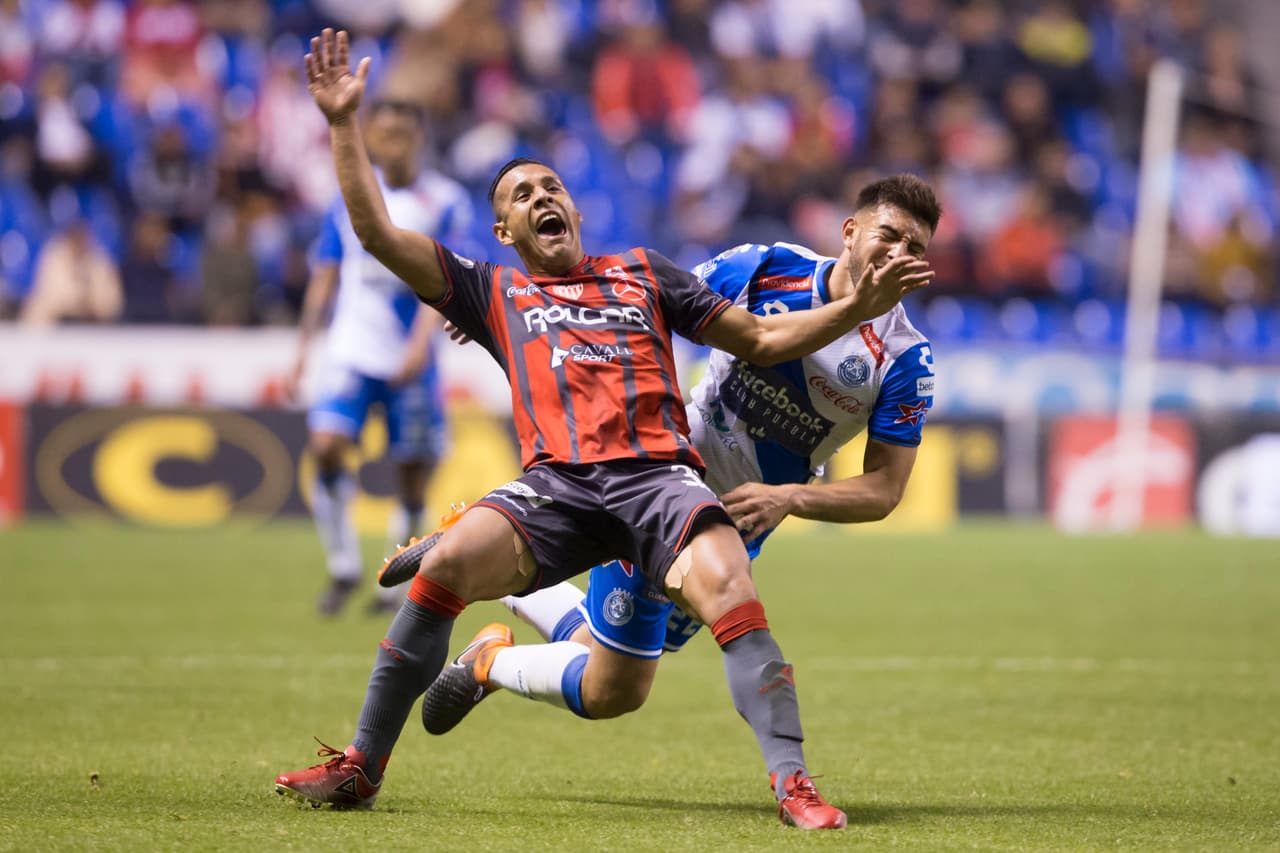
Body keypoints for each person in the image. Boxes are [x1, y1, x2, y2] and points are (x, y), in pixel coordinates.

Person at [274, 30, 932, 830]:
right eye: (520, 195)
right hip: (558, 485)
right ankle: (362, 765)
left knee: (644, 663)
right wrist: (344, 123)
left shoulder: (645, 273)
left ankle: (794, 784)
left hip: (662, 480)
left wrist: (856, 319)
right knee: (447, 566)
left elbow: (758, 340)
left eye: (550, 185)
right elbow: (377, 235)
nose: (540, 196)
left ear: (576, 208)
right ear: (504, 233)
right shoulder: (495, 293)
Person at [417, 176, 940, 780]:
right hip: (661, 482)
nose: (901, 254)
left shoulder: (905, 359)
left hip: (743, 520)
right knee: (614, 686)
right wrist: (513, 305)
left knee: (610, 663)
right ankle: (487, 649)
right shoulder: (765, 269)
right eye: (890, 235)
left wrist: (791, 496)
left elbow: (885, 490)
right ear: (850, 232)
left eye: (917, 249)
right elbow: (632, 298)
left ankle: (490, 611)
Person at [285, 94, 471, 617]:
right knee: (325, 445)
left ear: (419, 139)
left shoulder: (445, 201)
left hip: (409, 356)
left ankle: (393, 583)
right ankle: (343, 564)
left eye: (401, 134)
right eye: (382, 133)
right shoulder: (348, 197)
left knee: (412, 472)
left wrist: (420, 345)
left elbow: (449, 278)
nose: (391, 143)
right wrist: (302, 348)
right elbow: (325, 272)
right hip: (350, 346)